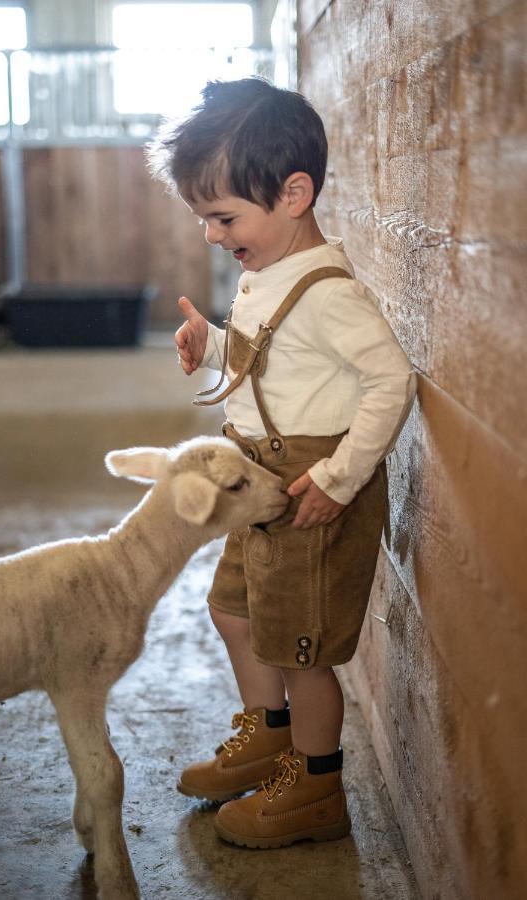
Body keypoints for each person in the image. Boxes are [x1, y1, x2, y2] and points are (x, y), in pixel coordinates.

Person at [146, 77, 416, 849]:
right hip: (258, 482)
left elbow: (390, 381)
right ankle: (270, 739)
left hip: (309, 485)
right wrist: (215, 348)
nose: (210, 234)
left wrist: (338, 478)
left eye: (223, 216)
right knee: (234, 613)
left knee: (301, 649)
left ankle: (317, 788)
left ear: (294, 194)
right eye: (204, 218)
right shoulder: (265, 271)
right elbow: (276, 361)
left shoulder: (330, 291)